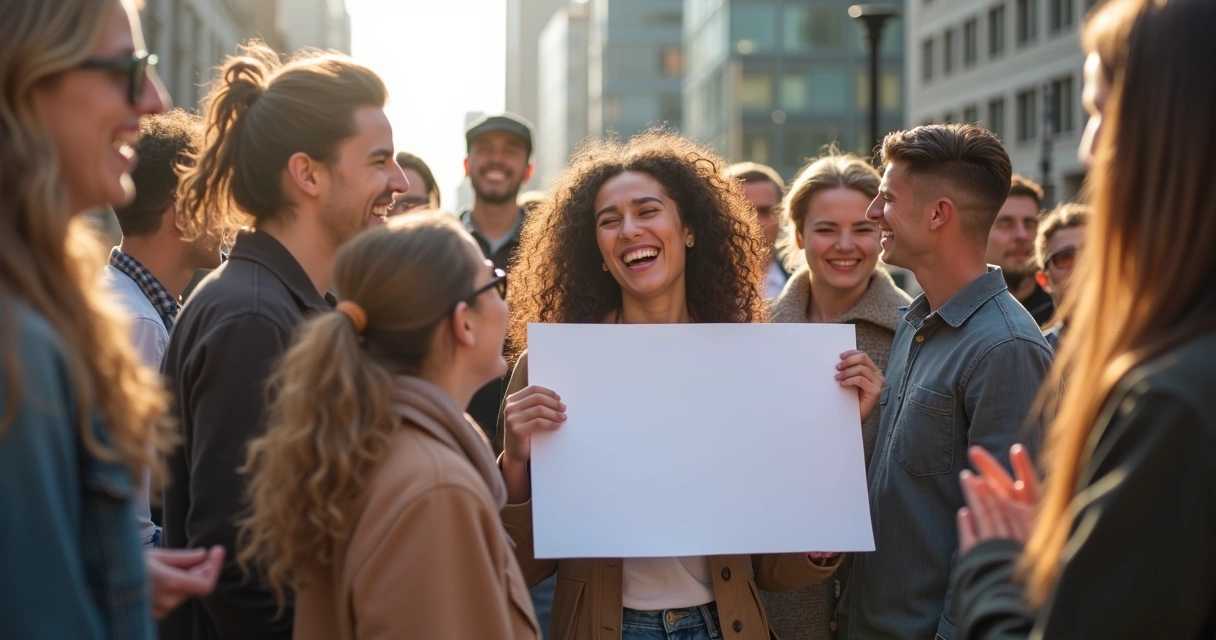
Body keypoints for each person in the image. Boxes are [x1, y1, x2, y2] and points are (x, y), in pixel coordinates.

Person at [498, 130, 885, 640]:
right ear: (595, 247)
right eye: (608, 220)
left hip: (724, 627)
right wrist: (517, 463)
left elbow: (773, 570)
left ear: (689, 230)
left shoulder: (754, 361)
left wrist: (830, 431)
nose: (629, 229)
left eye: (647, 210)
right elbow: (521, 568)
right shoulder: (552, 368)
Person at [952, 0, 1216, 637]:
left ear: (1171, 128)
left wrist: (998, 564)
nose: (1089, 147)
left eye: (1099, 111)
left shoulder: (1176, 398)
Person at [159, 42, 406, 640]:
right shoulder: (251, 318)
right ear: (308, 174)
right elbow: (241, 569)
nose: (399, 182)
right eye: (379, 161)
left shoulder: (285, 305)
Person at [0, 0, 221, 636]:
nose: (154, 99)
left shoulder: (52, 300)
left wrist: (108, 575)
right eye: (128, 71)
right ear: (29, 80)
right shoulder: (23, 334)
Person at [238, 212, 540, 639]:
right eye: (495, 284)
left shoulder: (368, 442)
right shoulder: (435, 485)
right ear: (463, 322)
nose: (507, 304)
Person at [834, 124, 1054, 640]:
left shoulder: (1007, 349)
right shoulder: (916, 322)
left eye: (886, 199)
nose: (872, 214)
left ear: (938, 215)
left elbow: (1004, 548)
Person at [763, 152, 912, 640]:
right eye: (826, 229)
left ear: (883, 233)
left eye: (863, 229)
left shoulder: (917, 333)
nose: (846, 245)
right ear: (800, 235)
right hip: (774, 602)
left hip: (881, 602)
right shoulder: (754, 334)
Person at [103, 109, 223, 548]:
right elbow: (131, 528)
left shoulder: (135, 303)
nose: (227, 215)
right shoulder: (139, 322)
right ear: (185, 213)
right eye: (216, 197)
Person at [461, 112, 535, 442]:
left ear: (528, 170)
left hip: (534, 435)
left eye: (510, 150)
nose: (496, 159)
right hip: (456, 430)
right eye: (485, 148)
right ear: (467, 165)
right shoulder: (442, 246)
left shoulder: (549, 245)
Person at [985, 175, 1054, 326]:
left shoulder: (1063, 316)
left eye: (1029, 224)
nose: (1022, 235)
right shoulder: (951, 313)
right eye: (1006, 224)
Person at [726, 162, 793, 299]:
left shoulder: (804, 284)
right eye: (743, 212)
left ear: (781, 215)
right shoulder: (691, 284)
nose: (755, 223)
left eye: (764, 211)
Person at [1032, 203, 1089, 349]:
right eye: (1065, 257)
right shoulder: (1034, 355)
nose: (1080, 266)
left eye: (1090, 253)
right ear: (1044, 280)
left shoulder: (1144, 346)